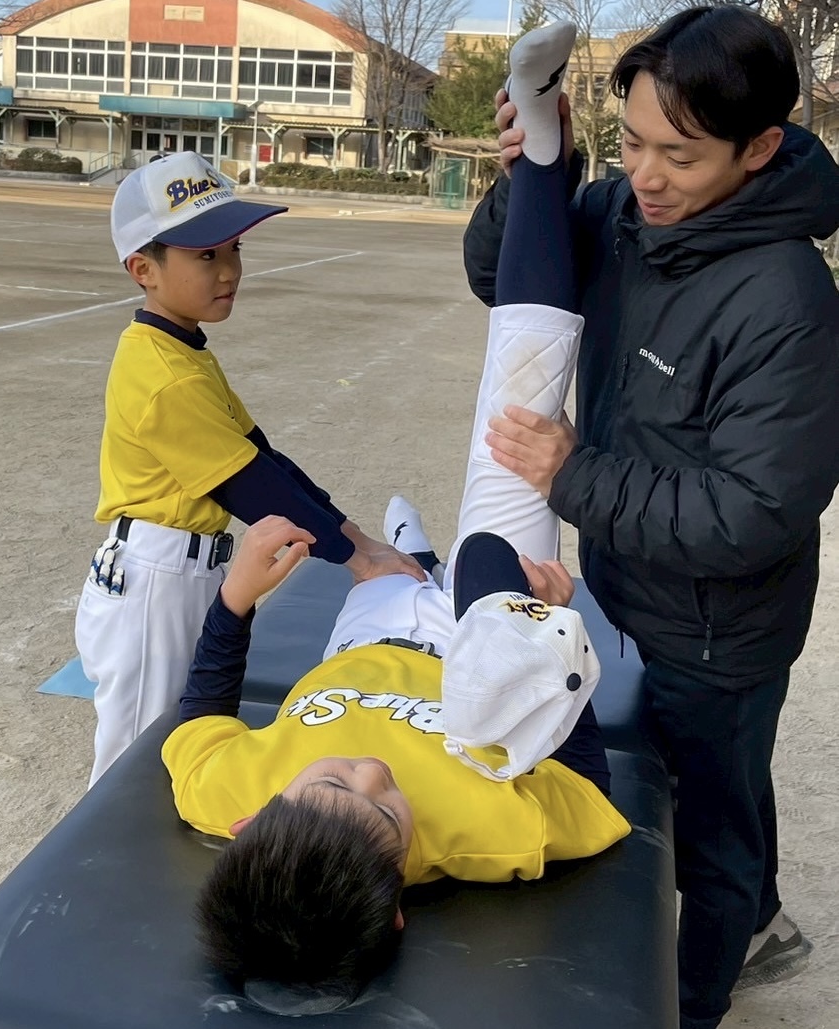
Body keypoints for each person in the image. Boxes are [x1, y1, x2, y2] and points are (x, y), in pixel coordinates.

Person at [162, 24, 631, 1008]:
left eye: (335, 783)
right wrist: (554, 641)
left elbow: (199, 723)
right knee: (521, 401)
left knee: (404, 563)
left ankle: (413, 548)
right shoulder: (486, 835)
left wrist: (234, 605)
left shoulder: (229, 797)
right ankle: (543, 142)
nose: (373, 772)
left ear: (249, 824)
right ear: (401, 905)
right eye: (387, 813)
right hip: (477, 658)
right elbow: (588, 793)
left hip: (369, 631)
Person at [463, 8, 839, 1029]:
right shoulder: (628, 217)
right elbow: (501, 276)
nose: (647, 175)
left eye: (680, 155)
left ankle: (701, 994)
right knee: (717, 784)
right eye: (631, 142)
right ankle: (759, 915)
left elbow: (753, 511)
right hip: (631, 584)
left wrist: (573, 475)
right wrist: (531, 176)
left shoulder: (787, 298)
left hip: (719, 631)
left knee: (710, 834)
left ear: (758, 148)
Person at [77, 150, 423, 786]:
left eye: (233, 248)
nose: (230, 269)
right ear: (143, 269)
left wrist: (360, 541)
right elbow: (251, 488)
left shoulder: (182, 350)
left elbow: (265, 459)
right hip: (156, 580)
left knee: (186, 738)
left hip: (187, 568)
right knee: (137, 767)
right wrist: (356, 560)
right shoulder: (161, 373)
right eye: (205, 254)